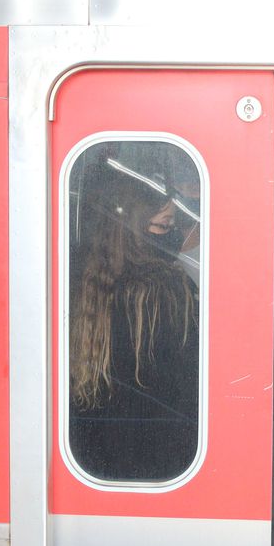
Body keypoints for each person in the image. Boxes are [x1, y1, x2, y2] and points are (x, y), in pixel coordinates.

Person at [68, 158, 199, 483]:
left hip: (93, 440)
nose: (172, 234)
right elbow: (190, 366)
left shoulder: (86, 278)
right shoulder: (168, 287)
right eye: (164, 226)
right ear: (135, 227)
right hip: (162, 439)